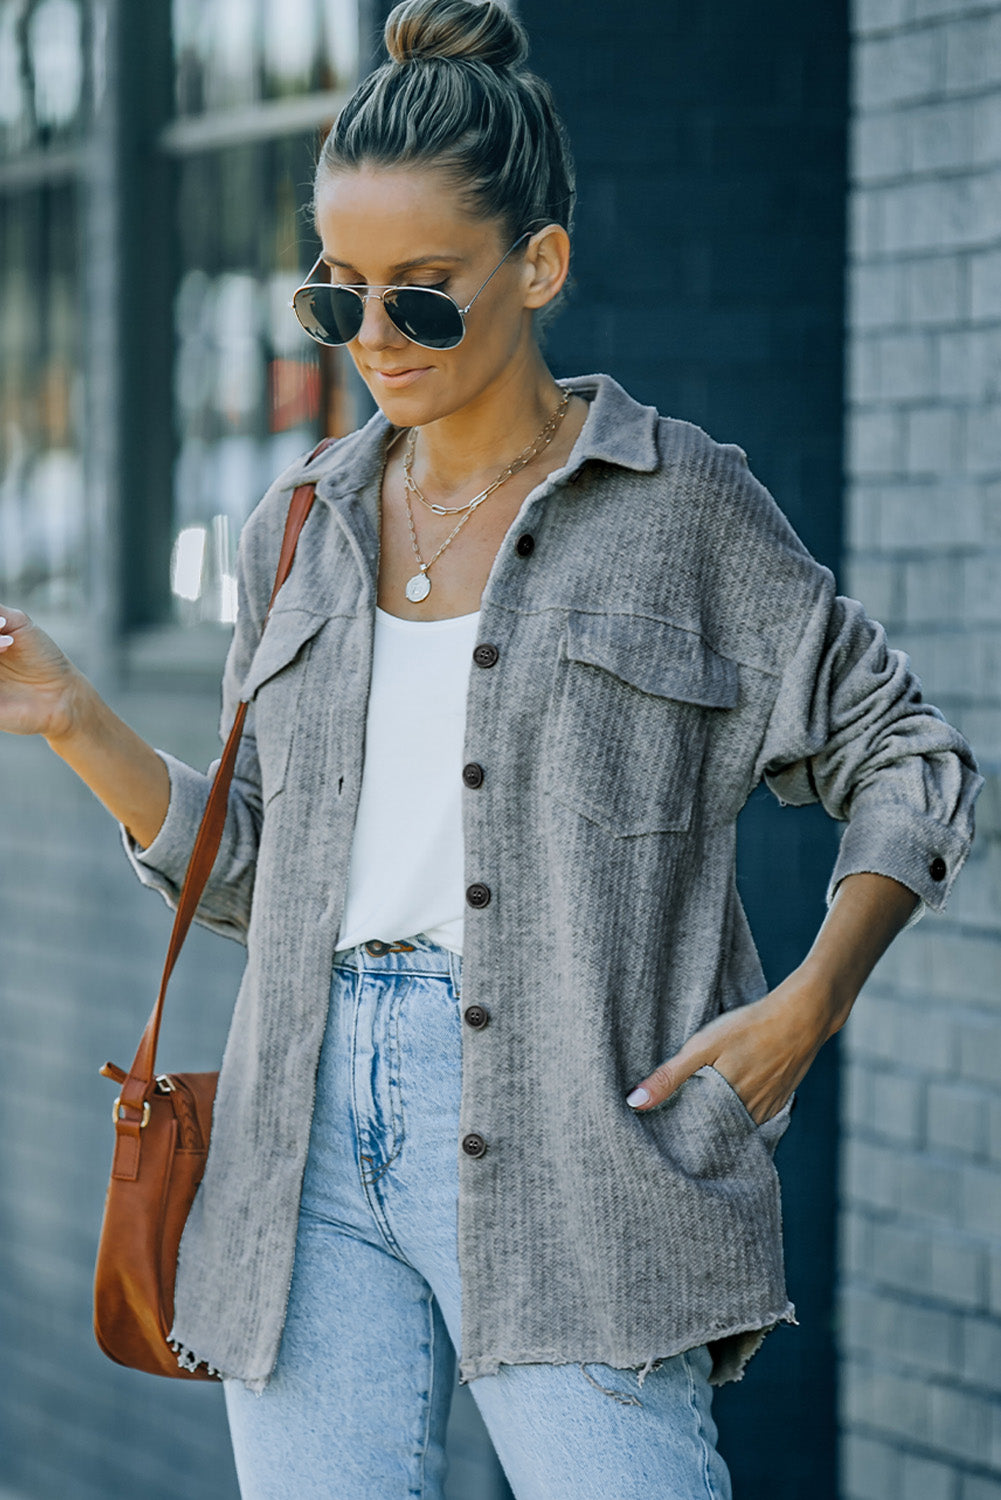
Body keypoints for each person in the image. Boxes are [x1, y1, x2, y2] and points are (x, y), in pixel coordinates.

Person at [0, 1, 982, 1496]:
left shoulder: (679, 507)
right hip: (300, 1131)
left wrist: (808, 1006)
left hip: (577, 1137)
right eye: (336, 301)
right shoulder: (296, 528)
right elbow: (258, 865)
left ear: (538, 267)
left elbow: (905, 752)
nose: (374, 342)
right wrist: (74, 717)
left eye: (424, 299)